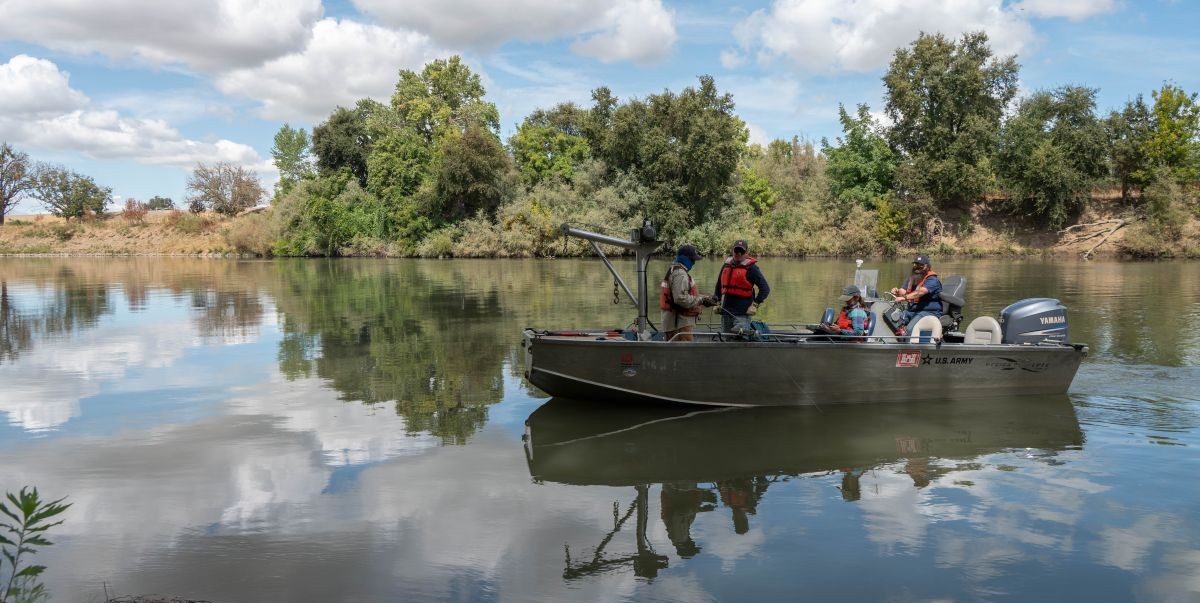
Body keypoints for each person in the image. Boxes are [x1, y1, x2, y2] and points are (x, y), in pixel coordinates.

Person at [660, 244, 716, 342]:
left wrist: (707, 297)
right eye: (692, 260)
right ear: (685, 259)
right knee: (683, 355)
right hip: (679, 324)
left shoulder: (675, 270)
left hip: (677, 323)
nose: (694, 263)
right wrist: (701, 300)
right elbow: (680, 298)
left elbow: (683, 295)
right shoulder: (680, 274)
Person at [713, 239, 770, 333]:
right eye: (736, 250)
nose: (738, 253)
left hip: (742, 314)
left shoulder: (752, 269)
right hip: (726, 312)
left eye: (742, 251)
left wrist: (755, 304)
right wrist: (717, 301)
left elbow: (765, 288)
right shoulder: (726, 266)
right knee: (726, 339)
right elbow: (719, 285)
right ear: (732, 251)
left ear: (746, 253)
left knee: (740, 338)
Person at [889, 253, 942, 335]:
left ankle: (908, 345)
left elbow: (920, 292)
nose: (917, 268)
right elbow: (903, 291)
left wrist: (904, 298)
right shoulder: (913, 277)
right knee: (892, 320)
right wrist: (897, 291)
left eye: (920, 266)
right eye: (915, 265)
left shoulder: (932, 280)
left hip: (929, 311)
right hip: (913, 310)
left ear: (927, 267)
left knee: (910, 329)